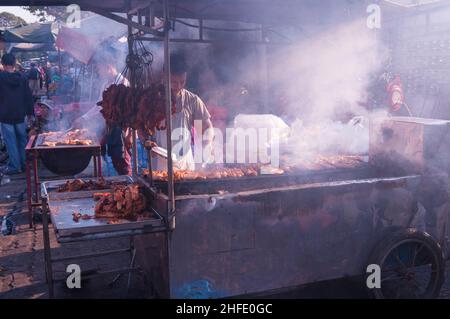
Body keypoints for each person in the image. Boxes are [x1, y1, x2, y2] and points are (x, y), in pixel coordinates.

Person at [152, 53, 214, 171]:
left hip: (185, 165)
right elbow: (141, 129)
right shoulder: (152, 98)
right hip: (160, 165)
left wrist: (207, 143)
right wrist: (147, 143)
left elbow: (206, 127)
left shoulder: (192, 100)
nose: (178, 86)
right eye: (174, 82)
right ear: (164, 76)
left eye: (182, 81)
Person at [0, 53, 34, 174]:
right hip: (20, 114)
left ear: (3, 64)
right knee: (22, 140)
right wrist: (30, 113)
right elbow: (28, 96)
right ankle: (25, 165)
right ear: (14, 64)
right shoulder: (23, 77)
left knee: (11, 142)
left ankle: (15, 166)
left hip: (5, 114)